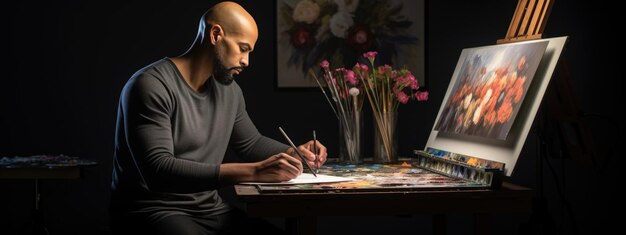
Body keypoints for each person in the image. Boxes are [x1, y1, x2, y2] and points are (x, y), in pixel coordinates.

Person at [109, 1, 328, 234]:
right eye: (243, 48)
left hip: (211, 211)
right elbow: (159, 172)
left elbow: (251, 143)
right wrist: (253, 172)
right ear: (215, 35)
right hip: (152, 211)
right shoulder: (150, 85)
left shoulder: (229, 90)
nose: (246, 61)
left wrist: (294, 153)